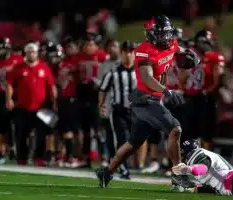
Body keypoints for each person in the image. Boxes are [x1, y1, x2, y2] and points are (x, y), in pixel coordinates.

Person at [95, 15, 200, 188]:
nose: (165, 37)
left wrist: (189, 53)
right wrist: (166, 90)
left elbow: (178, 49)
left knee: (133, 144)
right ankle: (178, 174)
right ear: (151, 34)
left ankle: (107, 172)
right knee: (175, 129)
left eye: (167, 33)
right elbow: (147, 77)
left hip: (154, 99)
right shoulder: (144, 50)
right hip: (144, 100)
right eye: (160, 34)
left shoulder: (171, 43)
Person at [6, 42, 57, 166]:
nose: (31, 54)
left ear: (37, 53)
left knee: (41, 133)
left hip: (40, 107)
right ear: (25, 53)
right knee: (21, 133)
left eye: (33, 51)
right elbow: (10, 84)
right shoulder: (18, 67)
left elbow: (51, 85)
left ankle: (39, 158)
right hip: (22, 106)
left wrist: (54, 101)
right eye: (29, 51)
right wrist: (9, 99)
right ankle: (21, 158)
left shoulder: (44, 67)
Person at [179, 30, 224, 147]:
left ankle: (205, 157)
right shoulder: (191, 54)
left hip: (206, 97)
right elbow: (182, 78)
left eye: (207, 42)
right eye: (202, 42)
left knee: (205, 130)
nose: (204, 45)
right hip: (191, 96)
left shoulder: (215, 57)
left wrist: (208, 91)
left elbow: (218, 80)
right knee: (189, 130)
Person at [99, 40, 137, 179]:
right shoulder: (114, 72)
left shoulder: (141, 71)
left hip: (136, 112)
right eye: (125, 52)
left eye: (131, 52)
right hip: (119, 111)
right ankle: (124, 168)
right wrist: (102, 104)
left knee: (134, 142)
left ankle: (121, 165)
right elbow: (103, 89)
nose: (128, 55)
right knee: (122, 140)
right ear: (121, 53)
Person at [75, 32, 108, 167]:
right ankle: (87, 157)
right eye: (87, 44)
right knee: (86, 130)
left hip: (97, 94)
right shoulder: (78, 57)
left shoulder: (102, 56)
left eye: (91, 44)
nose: (89, 46)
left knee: (98, 128)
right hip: (83, 94)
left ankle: (104, 157)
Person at [0, 37, 23, 164]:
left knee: (14, 125)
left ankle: (14, 148)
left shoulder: (17, 60)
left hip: (15, 95)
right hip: (0, 95)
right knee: (2, 125)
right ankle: (2, 151)